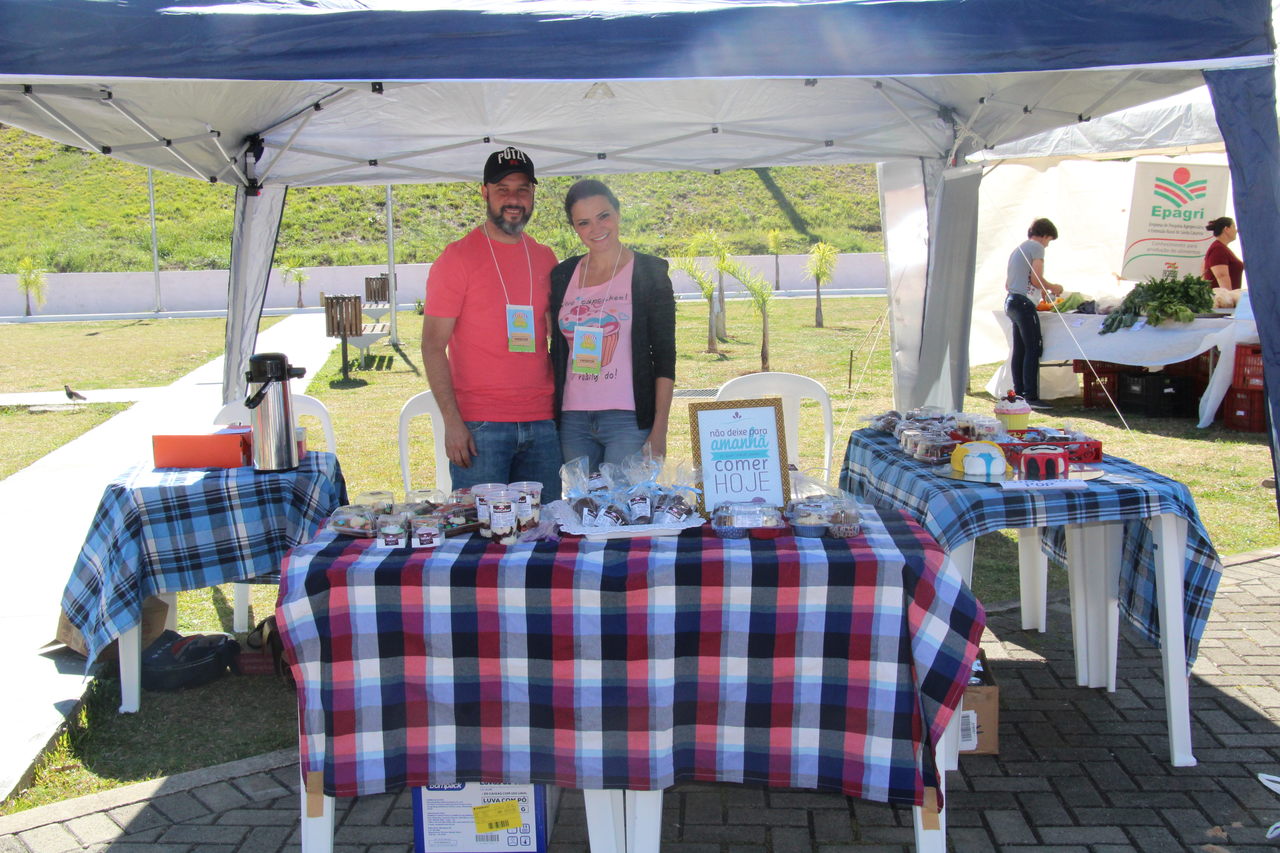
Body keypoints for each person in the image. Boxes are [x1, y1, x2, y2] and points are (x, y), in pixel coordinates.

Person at [421, 147, 562, 500]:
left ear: (533, 195)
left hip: (543, 423)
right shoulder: (457, 258)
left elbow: (561, 338)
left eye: (523, 189)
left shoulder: (545, 257)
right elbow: (433, 345)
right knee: (481, 540)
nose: (514, 199)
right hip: (479, 427)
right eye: (503, 189)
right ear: (484, 192)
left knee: (542, 533)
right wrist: (452, 422)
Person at [548, 179, 676, 471]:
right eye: (583, 222)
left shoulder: (650, 272)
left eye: (603, 216)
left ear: (618, 214)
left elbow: (665, 359)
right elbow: (556, 350)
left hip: (628, 420)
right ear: (575, 228)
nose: (596, 229)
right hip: (572, 421)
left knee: (623, 511)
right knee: (581, 509)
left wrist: (660, 430)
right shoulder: (563, 275)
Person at [1003, 217, 1063, 410]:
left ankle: (1019, 392)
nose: (1047, 245)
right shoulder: (1036, 247)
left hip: (1011, 300)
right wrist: (1053, 287)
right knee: (1033, 348)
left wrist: (1040, 289)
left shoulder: (1018, 249)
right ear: (1044, 236)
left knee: (1020, 348)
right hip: (1023, 303)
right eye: (1049, 240)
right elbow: (1036, 278)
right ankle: (1031, 394)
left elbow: (1010, 282)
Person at [1202, 216, 1244, 290]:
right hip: (1222, 299)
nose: (1236, 231)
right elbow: (1221, 276)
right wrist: (1228, 297)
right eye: (1234, 227)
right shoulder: (1218, 249)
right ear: (1226, 229)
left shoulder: (1221, 248)